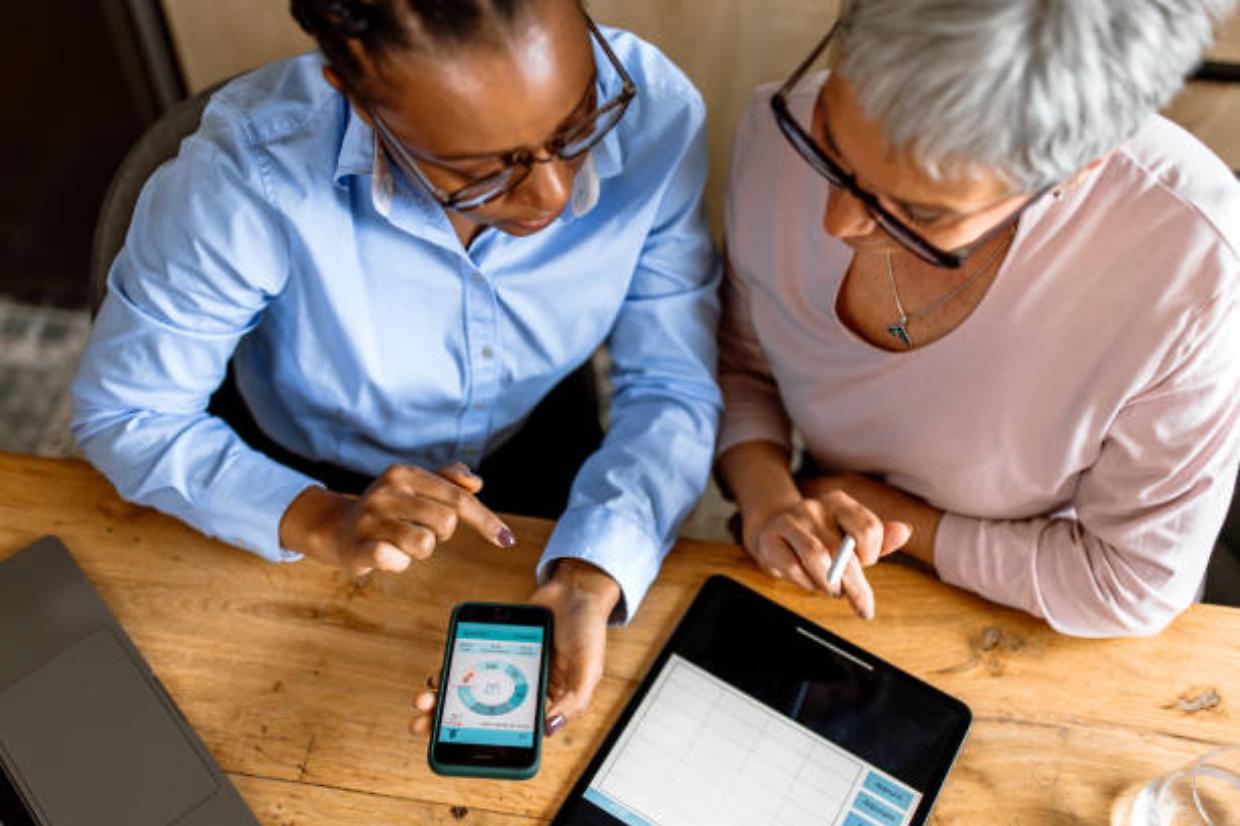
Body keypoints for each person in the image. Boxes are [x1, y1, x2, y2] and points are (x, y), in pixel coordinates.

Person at [72, 0, 721, 737]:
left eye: (576, 127)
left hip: (543, 434)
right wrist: (322, 517)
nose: (555, 196)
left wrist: (590, 572)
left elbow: (672, 382)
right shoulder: (246, 178)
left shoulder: (656, 112)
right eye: (483, 171)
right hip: (305, 467)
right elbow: (127, 414)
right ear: (356, 101)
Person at [717, 0, 1240, 636]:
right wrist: (770, 500)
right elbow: (741, 369)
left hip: (1033, 610)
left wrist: (899, 517)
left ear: (1078, 171)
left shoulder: (1194, 269)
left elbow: (1130, 585)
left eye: (922, 215)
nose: (836, 224)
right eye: (830, 145)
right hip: (818, 553)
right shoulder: (778, 128)